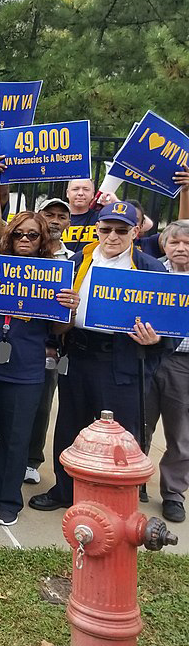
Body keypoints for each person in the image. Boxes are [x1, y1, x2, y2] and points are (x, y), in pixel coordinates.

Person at [29, 202, 168, 512]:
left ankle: (115, 495)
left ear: (135, 231)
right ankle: (64, 490)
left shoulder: (149, 268)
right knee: (69, 426)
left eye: (121, 230)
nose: (113, 237)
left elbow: (168, 320)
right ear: (97, 230)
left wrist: (156, 339)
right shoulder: (79, 261)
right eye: (106, 229)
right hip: (79, 354)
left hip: (122, 360)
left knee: (121, 434)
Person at [0, 211, 80, 526]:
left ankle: (8, 499)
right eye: (18, 234)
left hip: (26, 368)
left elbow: (57, 330)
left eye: (32, 235)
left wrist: (68, 310)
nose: (24, 240)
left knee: (16, 438)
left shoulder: (54, 274)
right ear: (9, 238)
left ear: (44, 240)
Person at [22, 197, 75, 485]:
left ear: (69, 222)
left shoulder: (75, 260)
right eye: (49, 214)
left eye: (61, 216)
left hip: (51, 346)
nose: (55, 220)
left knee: (41, 405)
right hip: (17, 341)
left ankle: (32, 460)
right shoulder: (21, 252)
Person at [144, 217, 189, 523]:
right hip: (147, 356)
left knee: (180, 431)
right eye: (175, 242)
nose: (181, 248)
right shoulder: (151, 271)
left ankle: (173, 493)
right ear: (164, 244)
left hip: (183, 363)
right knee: (137, 424)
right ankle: (133, 483)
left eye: (187, 244)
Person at [61, 179, 99, 253]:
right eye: (75, 189)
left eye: (86, 189)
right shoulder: (54, 219)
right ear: (67, 193)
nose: (80, 193)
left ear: (93, 194)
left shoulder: (101, 218)